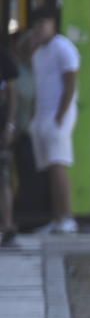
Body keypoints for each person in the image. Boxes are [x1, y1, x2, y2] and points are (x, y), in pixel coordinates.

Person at [29, 12, 80, 234]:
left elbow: (70, 81)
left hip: (58, 114)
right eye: (36, 24)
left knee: (59, 164)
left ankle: (67, 217)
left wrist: (61, 113)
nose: (39, 28)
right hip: (42, 114)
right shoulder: (38, 52)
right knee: (51, 166)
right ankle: (57, 217)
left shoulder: (63, 47)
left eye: (43, 22)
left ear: (54, 24)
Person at [0, 35, 17, 245]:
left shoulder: (3, 56)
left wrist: (10, 125)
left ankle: (7, 224)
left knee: (3, 176)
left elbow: (13, 93)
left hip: (1, 126)